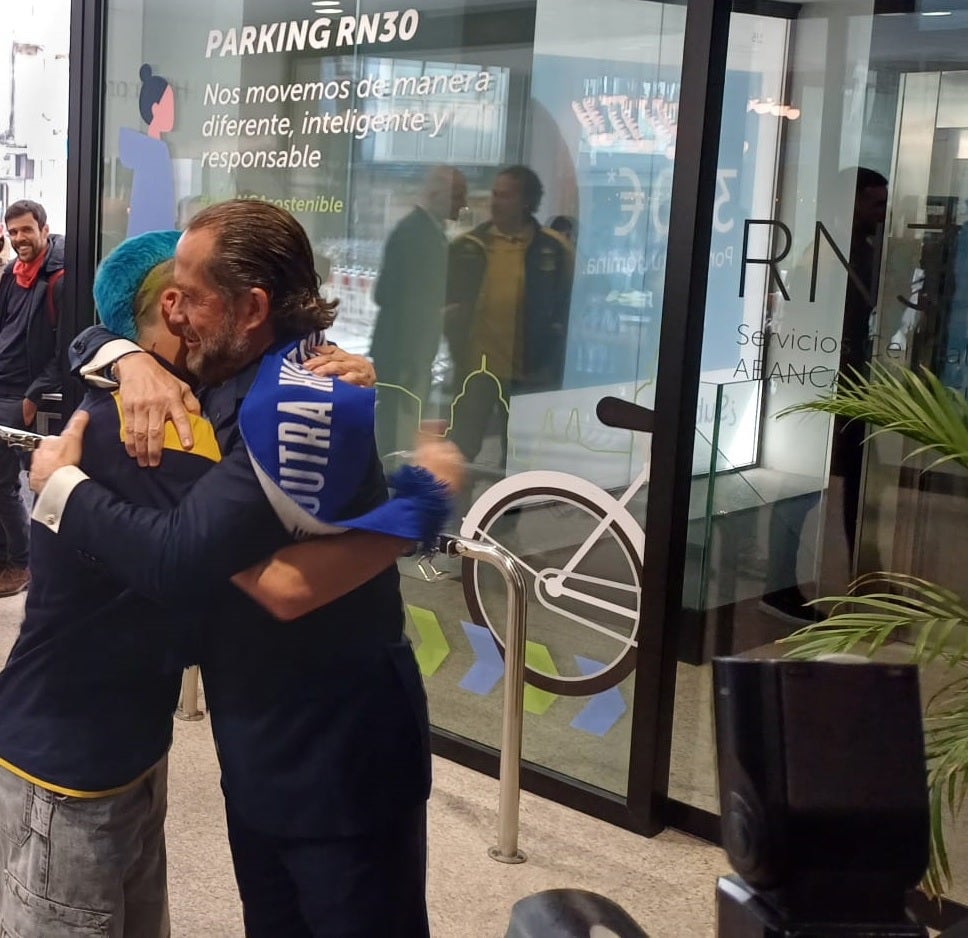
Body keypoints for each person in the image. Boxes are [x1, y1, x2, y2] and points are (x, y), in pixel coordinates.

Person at [0, 229, 457, 937]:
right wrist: (116, 353)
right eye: (169, 296)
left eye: (193, 293)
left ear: (250, 308)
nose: (179, 310)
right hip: (232, 745)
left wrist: (58, 485)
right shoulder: (184, 389)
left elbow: (273, 584)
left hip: (339, 756)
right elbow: (100, 323)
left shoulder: (304, 398)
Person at [759, 168, 888, 624]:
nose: (882, 212)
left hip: (845, 387)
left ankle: (858, 583)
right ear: (849, 204)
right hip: (821, 388)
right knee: (803, 489)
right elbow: (804, 326)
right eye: (874, 203)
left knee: (849, 483)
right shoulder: (825, 255)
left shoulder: (857, 251)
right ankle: (779, 584)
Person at [445, 165, 573, 469]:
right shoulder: (468, 247)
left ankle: (506, 516)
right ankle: (452, 514)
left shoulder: (553, 249)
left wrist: (552, 351)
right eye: (494, 194)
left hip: (529, 375)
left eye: (505, 195)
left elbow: (567, 306)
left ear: (526, 202)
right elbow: (446, 305)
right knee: (458, 453)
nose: (495, 202)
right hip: (477, 372)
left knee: (519, 459)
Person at [369, 165, 467, 457]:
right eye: (458, 195)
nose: (463, 204)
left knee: (402, 420)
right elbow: (388, 292)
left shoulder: (428, 231)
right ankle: (389, 480)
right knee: (397, 422)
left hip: (409, 351)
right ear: (437, 194)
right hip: (403, 351)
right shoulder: (415, 233)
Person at [0, 199, 64, 596]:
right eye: (14, 231)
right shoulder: (13, 273)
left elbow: (66, 345)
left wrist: (34, 394)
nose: (20, 238)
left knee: (11, 480)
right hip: (3, 381)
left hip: (21, 391)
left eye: (26, 230)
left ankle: (23, 563)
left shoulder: (59, 277)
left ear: (43, 229)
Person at [120, 64, 176, 237]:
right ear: (155, 109)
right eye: (169, 106)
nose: (173, 113)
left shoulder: (148, 150)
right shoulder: (154, 153)